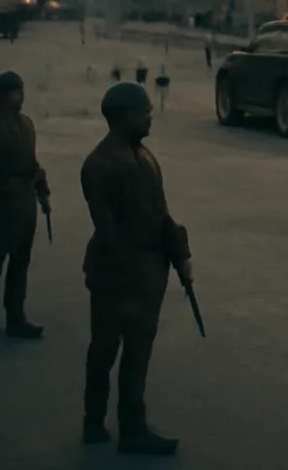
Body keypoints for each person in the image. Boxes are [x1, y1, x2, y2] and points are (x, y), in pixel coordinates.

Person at [80, 81, 192, 455]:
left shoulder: (145, 157)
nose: (150, 117)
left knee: (137, 354)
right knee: (105, 350)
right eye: (144, 112)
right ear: (124, 116)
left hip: (147, 269)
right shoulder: (99, 165)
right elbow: (107, 230)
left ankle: (132, 426)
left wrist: (180, 254)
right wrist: (130, 282)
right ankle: (95, 420)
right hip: (118, 274)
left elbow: (161, 213)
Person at [0, 71, 51, 338]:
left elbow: (32, 161)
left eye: (21, 90)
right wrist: (16, 182)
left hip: (25, 204)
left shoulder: (27, 124)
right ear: (2, 96)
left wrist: (41, 189)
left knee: (20, 263)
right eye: (16, 91)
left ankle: (16, 318)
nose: (21, 95)